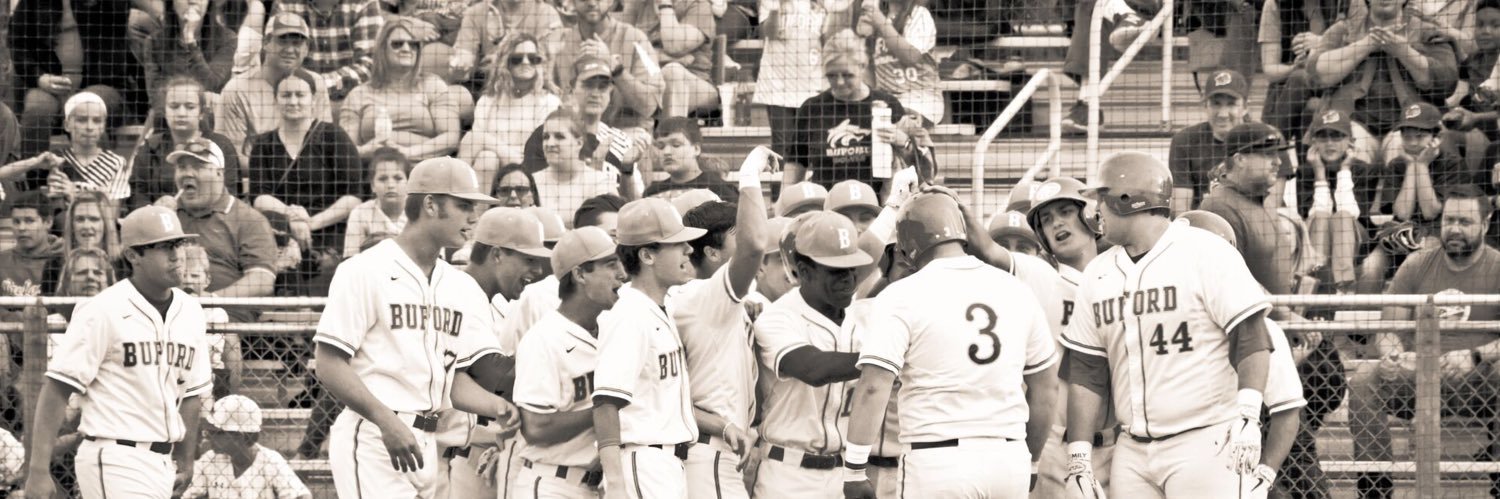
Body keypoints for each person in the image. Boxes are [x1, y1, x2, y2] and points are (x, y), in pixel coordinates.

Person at [1060, 152, 1274, 498]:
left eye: (1102, 199)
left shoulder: (1206, 251)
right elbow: (1087, 370)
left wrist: (1249, 414)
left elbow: (1251, 339)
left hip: (1207, 441)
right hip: (1132, 451)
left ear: (1126, 199)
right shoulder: (1097, 273)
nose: (1096, 211)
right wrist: (1079, 458)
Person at [314, 157, 516, 498]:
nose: (473, 217)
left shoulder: (459, 286)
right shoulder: (365, 270)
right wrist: (385, 420)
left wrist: (501, 408)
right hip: (376, 434)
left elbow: (455, 383)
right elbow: (328, 363)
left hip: (428, 439)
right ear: (431, 205)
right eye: (464, 205)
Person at [842, 192, 1058, 497]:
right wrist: (1031, 462)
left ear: (907, 247)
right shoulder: (1017, 289)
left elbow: (874, 386)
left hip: (938, 461)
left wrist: (854, 468)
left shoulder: (901, 295)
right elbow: (1046, 388)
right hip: (1008, 459)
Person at [22, 206, 213, 499]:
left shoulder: (191, 312)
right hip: (114, 456)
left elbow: (191, 395)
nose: (177, 255)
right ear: (134, 256)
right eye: (164, 247)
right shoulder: (102, 310)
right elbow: (57, 388)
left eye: (179, 244)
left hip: (163, 461)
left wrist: (186, 460)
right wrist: (37, 470)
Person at [1350, 190, 1500, 497]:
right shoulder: (1416, 264)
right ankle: (1376, 488)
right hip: (1418, 376)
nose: (1454, 228)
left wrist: (1475, 356)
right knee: (1363, 380)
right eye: (1449, 220)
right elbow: (1388, 328)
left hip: (1479, 380)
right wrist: (1393, 355)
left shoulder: (1498, 267)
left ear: (1485, 225)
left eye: (1465, 222)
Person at [1175, 210, 1311, 499]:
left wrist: (1266, 474)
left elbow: (1287, 410)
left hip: (1224, 463)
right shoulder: (1152, 321)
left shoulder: (1261, 326)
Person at [673, 147, 772, 498]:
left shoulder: (699, 298)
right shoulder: (703, 296)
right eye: (736, 235)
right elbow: (754, 246)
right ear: (711, 253)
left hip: (714, 448)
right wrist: (749, 175)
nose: (744, 240)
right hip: (709, 451)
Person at [751, 211, 871, 497]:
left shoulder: (865, 316)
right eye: (836, 270)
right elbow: (814, 368)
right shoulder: (777, 318)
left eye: (852, 268)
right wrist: (884, 359)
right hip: (788, 473)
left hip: (845, 472)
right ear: (804, 271)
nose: (848, 279)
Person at [592, 198, 705, 498]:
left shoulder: (657, 307)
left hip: (663, 465)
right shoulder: (630, 315)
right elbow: (605, 403)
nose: (689, 250)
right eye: (677, 244)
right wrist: (616, 483)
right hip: (644, 463)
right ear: (647, 255)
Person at [511, 226, 624, 498]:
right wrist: (607, 407)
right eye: (611, 264)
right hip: (551, 483)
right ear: (580, 274)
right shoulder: (544, 339)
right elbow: (535, 427)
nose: (622, 273)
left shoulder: (613, 329)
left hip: (595, 485)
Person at [248, 71, 365, 251]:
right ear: (275, 99)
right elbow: (259, 197)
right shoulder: (263, 144)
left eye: (300, 95)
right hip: (279, 233)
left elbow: (353, 196)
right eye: (286, 95)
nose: (293, 101)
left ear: (313, 100)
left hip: (330, 231)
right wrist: (291, 216)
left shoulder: (333, 136)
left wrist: (310, 223)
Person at [1307, 0, 1458, 137]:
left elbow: (1447, 82)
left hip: (1413, 123)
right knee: (1351, 146)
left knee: (1405, 147)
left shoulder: (1427, 31)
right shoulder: (1342, 30)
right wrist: (1367, 44)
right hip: (1352, 120)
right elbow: (1315, 75)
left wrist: (1403, 51)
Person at [785, 30, 912, 192]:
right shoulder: (812, 109)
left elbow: (915, 168)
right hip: (826, 204)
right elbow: (794, 167)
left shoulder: (887, 105)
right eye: (831, 75)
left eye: (847, 75)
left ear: (862, 66)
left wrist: (904, 142)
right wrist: (785, 202)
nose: (839, 82)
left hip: (877, 203)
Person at [11, 0, 139, 160]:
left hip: (104, 85)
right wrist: (39, 77)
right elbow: (17, 43)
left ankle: (98, 173)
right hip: (47, 86)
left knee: (86, 108)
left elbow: (120, 12)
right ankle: (34, 174)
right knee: (37, 111)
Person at [172, 138, 280, 322]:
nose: (188, 173)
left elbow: (262, 280)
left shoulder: (249, 219)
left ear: (219, 174)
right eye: (182, 167)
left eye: (198, 167)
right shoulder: (167, 217)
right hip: (169, 313)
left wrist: (212, 300)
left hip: (226, 317)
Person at [216, 12, 334, 166]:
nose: (290, 49)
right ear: (266, 42)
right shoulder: (236, 90)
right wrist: (276, 173)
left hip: (310, 175)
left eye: (297, 43)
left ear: (306, 48)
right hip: (255, 178)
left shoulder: (316, 84)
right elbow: (230, 157)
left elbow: (326, 145)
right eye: (282, 41)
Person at [340, 18, 461, 161]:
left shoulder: (433, 85)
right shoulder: (358, 95)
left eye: (413, 44)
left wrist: (407, 153)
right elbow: (344, 150)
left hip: (424, 166)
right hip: (377, 167)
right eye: (397, 44)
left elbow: (451, 138)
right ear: (382, 49)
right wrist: (366, 151)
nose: (406, 49)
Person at [1199, 122, 1297, 296]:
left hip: (1280, 310)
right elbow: (1230, 281)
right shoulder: (1219, 207)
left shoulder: (1263, 201)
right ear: (1240, 159)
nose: (1278, 162)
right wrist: (1283, 310)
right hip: (1254, 312)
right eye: (1268, 154)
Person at [541, 0, 664, 129]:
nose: (592, 2)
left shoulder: (637, 39)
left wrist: (615, 67)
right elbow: (544, 103)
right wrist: (550, 60)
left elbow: (651, 107)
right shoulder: (560, 42)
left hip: (628, 132)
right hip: (575, 132)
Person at [461, 34, 563, 189]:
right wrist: (488, 144)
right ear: (505, 62)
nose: (526, 62)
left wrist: (485, 140)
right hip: (492, 170)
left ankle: (453, 189)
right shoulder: (487, 101)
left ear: (539, 63)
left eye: (533, 58)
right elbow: (475, 149)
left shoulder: (549, 102)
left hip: (532, 171)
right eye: (517, 59)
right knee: (486, 159)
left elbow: (539, 157)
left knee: (476, 139)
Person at [521, 54, 647, 178]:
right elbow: (534, 188)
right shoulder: (547, 136)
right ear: (570, 90)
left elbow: (634, 192)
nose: (595, 94)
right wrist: (594, 171)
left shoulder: (621, 140)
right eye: (589, 85)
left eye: (602, 86)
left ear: (610, 93)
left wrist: (627, 169)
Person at [135, 77, 243, 210]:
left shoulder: (222, 146)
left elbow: (231, 193)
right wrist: (154, 210)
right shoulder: (150, 147)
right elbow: (137, 194)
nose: (181, 113)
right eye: (174, 107)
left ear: (201, 112)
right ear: (165, 112)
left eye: (190, 107)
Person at [181, 396, 312, 499]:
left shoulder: (269, 460)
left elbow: (301, 495)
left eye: (216, 433)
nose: (208, 437)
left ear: (239, 437)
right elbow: (187, 494)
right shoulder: (209, 460)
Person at [754, 0, 837, 158]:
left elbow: (829, 39)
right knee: (783, 149)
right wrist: (776, 7)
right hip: (777, 85)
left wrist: (830, 9)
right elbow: (768, 33)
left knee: (814, 147)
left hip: (813, 85)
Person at [1168, 69, 1254, 212]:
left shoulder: (1264, 139)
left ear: (1245, 107)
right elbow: (1180, 208)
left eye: (1231, 104)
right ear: (1204, 105)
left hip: (1250, 221)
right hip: (1203, 222)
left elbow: (1271, 207)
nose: (1223, 114)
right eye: (1216, 104)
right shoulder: (1184, 141)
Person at [271, 0, 388, 100]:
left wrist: (317, 84)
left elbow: (372, 64)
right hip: (295, 99)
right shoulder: (285, 3)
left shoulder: (364, 3)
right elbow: (275, 61)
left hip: (351, 98)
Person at [533, 108, 626, 225]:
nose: (550, 143)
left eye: (559, 137)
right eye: (546, 137)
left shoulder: (599, 182)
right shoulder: (532, 181)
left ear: (579, 143)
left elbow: (611, 227)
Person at [862, 0, 943, 124]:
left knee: (892, 123)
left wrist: (881, 22)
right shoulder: (875, 19)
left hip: (921, 100)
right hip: (887, 100)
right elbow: (869, 69)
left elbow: (911, 57)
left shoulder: (920, 14)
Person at [41, 92, 131, 203]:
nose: (89, 127)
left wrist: (74, 193)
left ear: (103, 126)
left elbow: (113, 210)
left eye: (97, 121)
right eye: (82, 120)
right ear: (67, 125)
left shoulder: (116, 163)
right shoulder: (57, 159)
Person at [451, 0, 563, 89]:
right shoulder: (475, 13)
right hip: (488, 92)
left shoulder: (547, 15)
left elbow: (542, 73)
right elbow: (463, 64)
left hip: (532, 95)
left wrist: (499, 56)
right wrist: (461, 65)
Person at [143, 0, 241, 96]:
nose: (192, 1)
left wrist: (190, 42)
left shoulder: (228, 39)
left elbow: (211, 85)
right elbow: (155, 94)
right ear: (172, 3)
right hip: (170, 106)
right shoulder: (154, 42)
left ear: (208, 3)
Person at [644, 118, 739, 202]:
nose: (666, 152)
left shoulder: (722, 191)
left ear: (696, 149)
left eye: (676, 145)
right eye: (661, 146)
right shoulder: (652, 194)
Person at [653, 0, 720, 118]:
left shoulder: (700, 6)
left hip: (696, 85)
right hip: (649, 80)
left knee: (672, 72)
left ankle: (674, 129)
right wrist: (664, 57)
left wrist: (665, 4)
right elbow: (627, 49)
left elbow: (674, 46)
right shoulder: (638, 5)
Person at [344, 147, 412, 258]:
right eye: (383, 179)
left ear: (409, 183)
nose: (390, 185)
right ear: (372, 186)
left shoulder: (421, 213)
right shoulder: (360, 213)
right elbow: (349, 260)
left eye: (398, 178)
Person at [0, 191, 65, 306]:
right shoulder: (2, 261)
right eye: (16, 222)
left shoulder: (63, 263)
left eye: (29, 221)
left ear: (48, 222)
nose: (21, 228)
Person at [61, 191, 121, 263]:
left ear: (106, 224)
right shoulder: (56, 263)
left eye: (94, 219)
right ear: (71, 224)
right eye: (80, 219)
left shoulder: (122, 264)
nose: (86, 226)